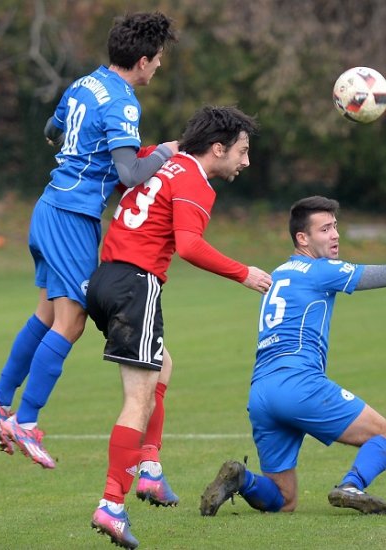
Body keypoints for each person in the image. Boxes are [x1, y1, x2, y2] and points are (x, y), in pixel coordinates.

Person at [0, 12, 178, 468]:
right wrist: (164, 153)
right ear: (142, 61)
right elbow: (129, 173)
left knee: (47, 312)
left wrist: (76, 154)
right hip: (73, 217)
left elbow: (53, 129)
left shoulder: (85, 83)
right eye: (158, 60)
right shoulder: (124, 102)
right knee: (72, 322)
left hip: (48, 206)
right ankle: (25, 422)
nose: (158, 67)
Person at [199, 195, 386, 517]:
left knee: (284, 500)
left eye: (335, 227)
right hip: (300, 385)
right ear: (303, 238)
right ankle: (352, 485)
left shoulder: (280, 272)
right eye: (325, 229)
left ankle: (242, 479)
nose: (335, 235)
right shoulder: (319, 270)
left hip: (261, 393)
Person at [86, 105, 273, 549]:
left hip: (104, 278)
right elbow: (188, 246)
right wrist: (243, 273)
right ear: (217, 148)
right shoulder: (195, 182)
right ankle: (112, 503)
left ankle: (149, 467)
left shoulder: (158, 157)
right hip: (136, 283)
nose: (246, 162)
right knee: (138, 400)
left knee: (162, 365)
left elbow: (120, 173)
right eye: (242, 152)